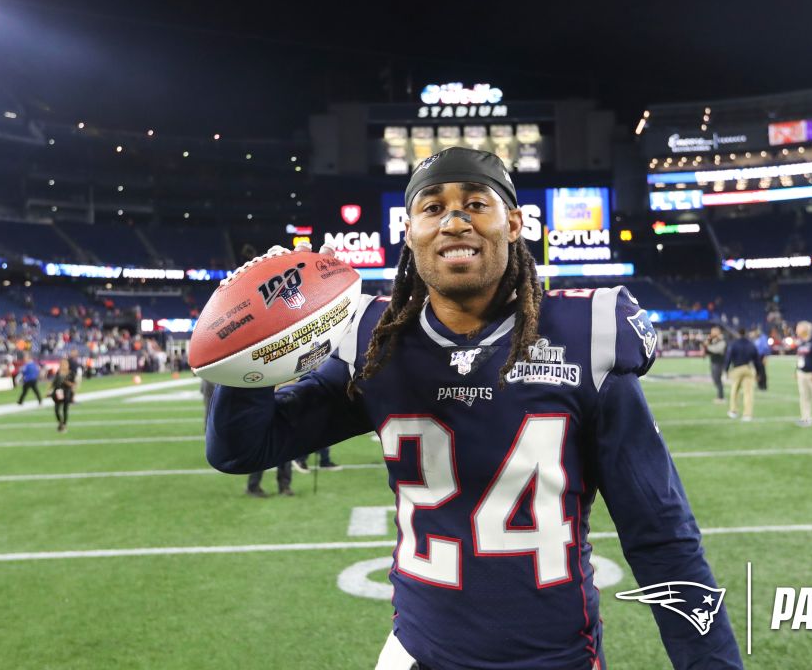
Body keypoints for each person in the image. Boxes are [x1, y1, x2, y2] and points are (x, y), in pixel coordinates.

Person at [205, 147, 741, 669]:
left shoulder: (588, 336)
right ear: (410, 232)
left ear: (512, 223)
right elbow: (242, 448)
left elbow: (661, 533)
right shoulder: (374, 341)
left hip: (553, 658)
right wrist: (253, 353)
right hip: (419, 652)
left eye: (475, 204)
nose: (454, 221)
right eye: (432, 207)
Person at [724, 328, 764, 421]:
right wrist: (759, 373)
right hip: (748, 368)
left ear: (738, 334)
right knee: (748, 393)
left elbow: (728, 358)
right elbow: (757, 360)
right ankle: (747, 414)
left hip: (737, 368)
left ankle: (734, 411)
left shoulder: (734, 344)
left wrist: (726, 370)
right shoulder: (751, 344)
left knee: (734, 390)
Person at [50, 359, 76, 433]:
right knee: (56, 409)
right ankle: (60, 423)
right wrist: (49, 390)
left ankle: (64, 425)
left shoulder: (71, 373)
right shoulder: (58, 372)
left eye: (65, 364)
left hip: (67, 392)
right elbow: (54, 382)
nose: (63, 365)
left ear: (67, 365)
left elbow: (73, 385)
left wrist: (64, 380)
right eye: (62, 364)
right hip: (58, 392)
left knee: (65, 410)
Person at [705, 326, 726, 403]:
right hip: (714, 362)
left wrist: (707, 346)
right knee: (715, 379)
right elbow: (708, 350)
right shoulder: (714, 340)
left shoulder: (722, 340)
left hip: (719, 363)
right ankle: (719, 396)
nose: (711, 333)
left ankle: (721, 397)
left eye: (713, 331)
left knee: (717, 379)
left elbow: (716, 350)